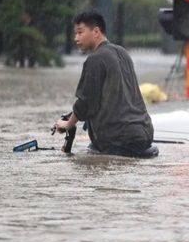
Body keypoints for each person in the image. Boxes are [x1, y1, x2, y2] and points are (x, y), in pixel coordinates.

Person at [54, 11, 157, 157]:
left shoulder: (95, 59)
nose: (76, 38)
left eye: (80, 32)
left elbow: (85, 103)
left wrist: (66, 124)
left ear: (96, 31)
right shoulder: (123, 52)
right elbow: (113, 97)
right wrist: (73, 115)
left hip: (117, 140)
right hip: (145, 134)